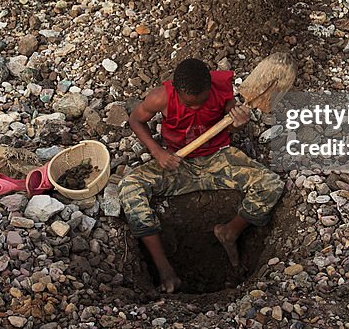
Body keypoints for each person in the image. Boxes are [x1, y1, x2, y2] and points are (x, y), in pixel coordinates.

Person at [118, 58, 285, 293]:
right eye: (189, 105)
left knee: (271, 184)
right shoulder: (160, 97)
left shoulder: (221, 90)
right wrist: (157, 152)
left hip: (218, 157)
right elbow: (135, 120)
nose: (196, 109)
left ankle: (230, 232)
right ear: (176, 91)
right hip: (179, 163)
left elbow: (231, 127)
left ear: (209, 88)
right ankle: (164, 268)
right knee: (130, 186)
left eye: (201, 102)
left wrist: (238, 122)